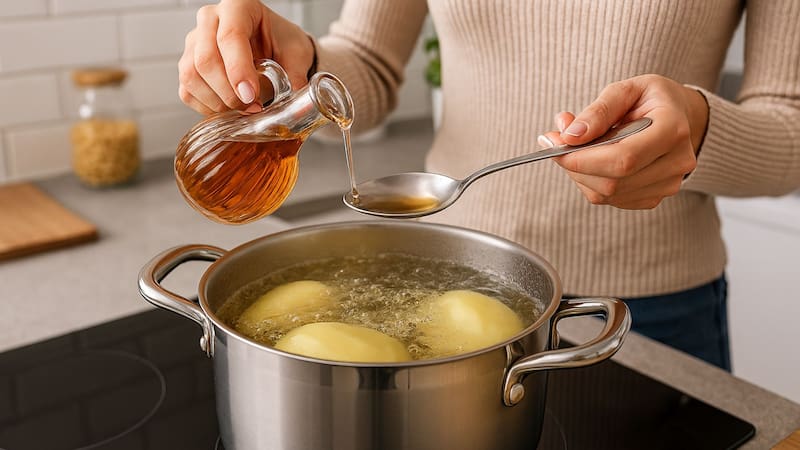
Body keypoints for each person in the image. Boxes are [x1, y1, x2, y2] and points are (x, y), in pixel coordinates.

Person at [177, 0, 800, 371]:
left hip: (651, 316)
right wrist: (300, 66)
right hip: (443, 277)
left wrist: (697, 126)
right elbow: (365, 60)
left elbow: (789, 124)